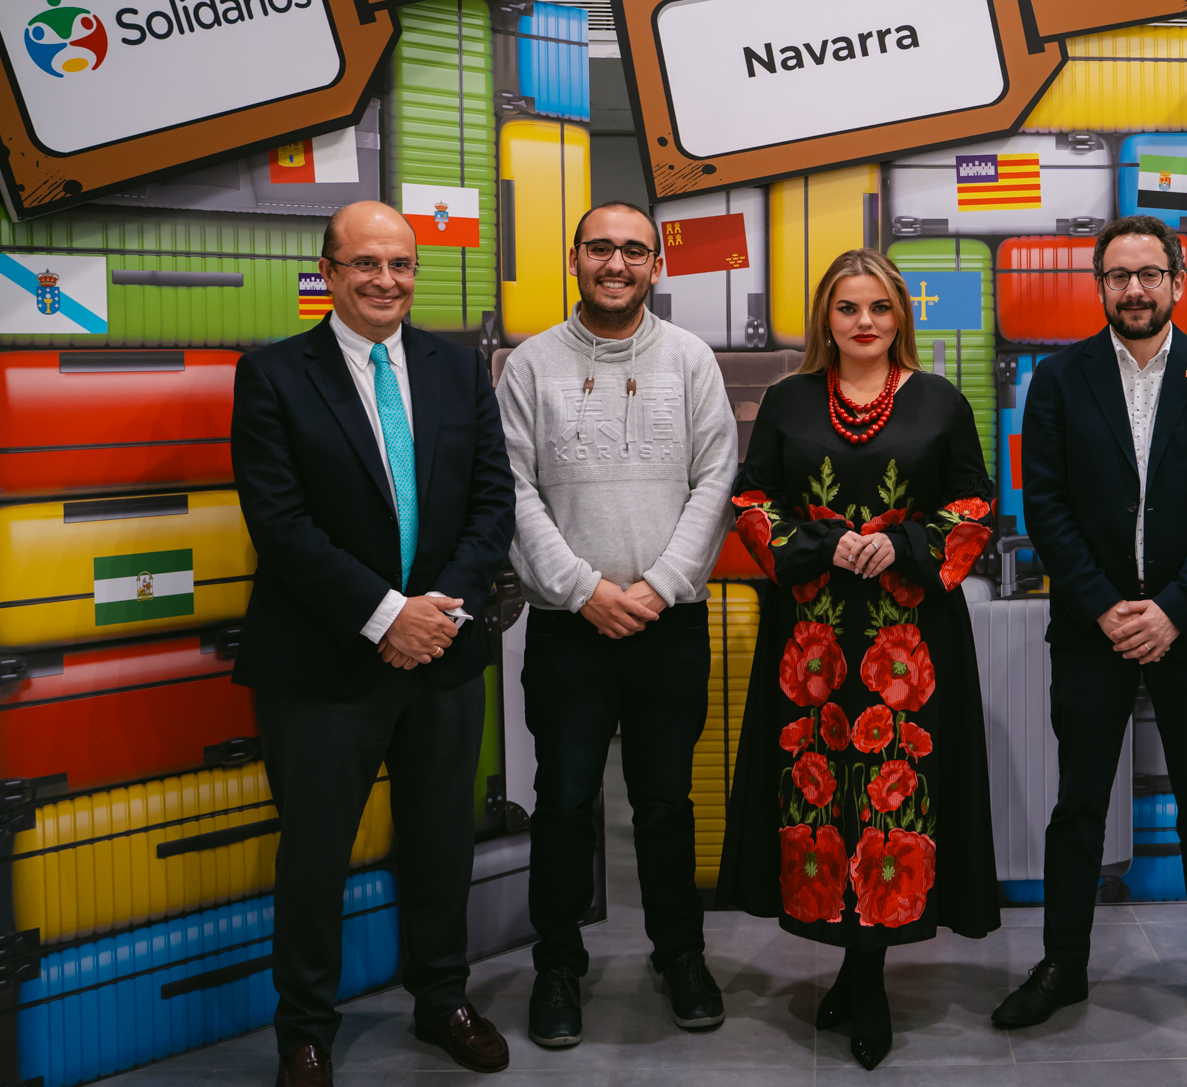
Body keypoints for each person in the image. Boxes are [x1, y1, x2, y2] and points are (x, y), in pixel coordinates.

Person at [230, 200, 516, 1086]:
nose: (385, 280)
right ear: (329, 269)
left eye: (399, 264)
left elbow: (491, 503)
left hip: (444, 652)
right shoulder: (274, 374)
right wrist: (386, 614)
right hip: (321, 663)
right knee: (315, 853)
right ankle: (304, 1032)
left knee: (440, 841)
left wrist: (436, 613)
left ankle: (442, 997)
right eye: (364, 264)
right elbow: (279, 525)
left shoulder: (455, 368)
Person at [992, 215, 1187, 1040]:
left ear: (1179, 282)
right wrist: (1102, 603)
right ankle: (1062, 963)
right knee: (1078, 803)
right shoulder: (1059, 378)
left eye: (1150, 273)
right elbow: (1042, 502)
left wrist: (1172, 610)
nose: (1135, 289)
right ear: (1100, 285)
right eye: (1118, 275)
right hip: (1093, 627)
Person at [716, 247, 1001, 1071]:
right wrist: (825, 544)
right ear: (826, 318)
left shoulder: (941, 401)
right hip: (811, 644)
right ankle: (849, 958)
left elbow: (976, 502)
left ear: (900, 315)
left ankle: (868, 975)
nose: (865, 322)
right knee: (824, 794)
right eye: (848, 308)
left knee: (890, 799)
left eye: (879, 307)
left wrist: (901, 544)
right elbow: (750, 497)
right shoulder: (788, 398)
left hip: (908, 647)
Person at [495, 201, 739, 1048]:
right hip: (570, 625)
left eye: (635, 250)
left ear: (656, 266)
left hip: (669, 622)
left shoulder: (690, 359)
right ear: (574, 257)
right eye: (601, 247)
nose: (617, 263)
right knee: (562, 802)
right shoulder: (529, 366)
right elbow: (513, 491)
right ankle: (558, 964)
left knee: (665, 802)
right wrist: (583, 587)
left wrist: (663, 584)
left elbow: (717, 478)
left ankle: (680, 954)